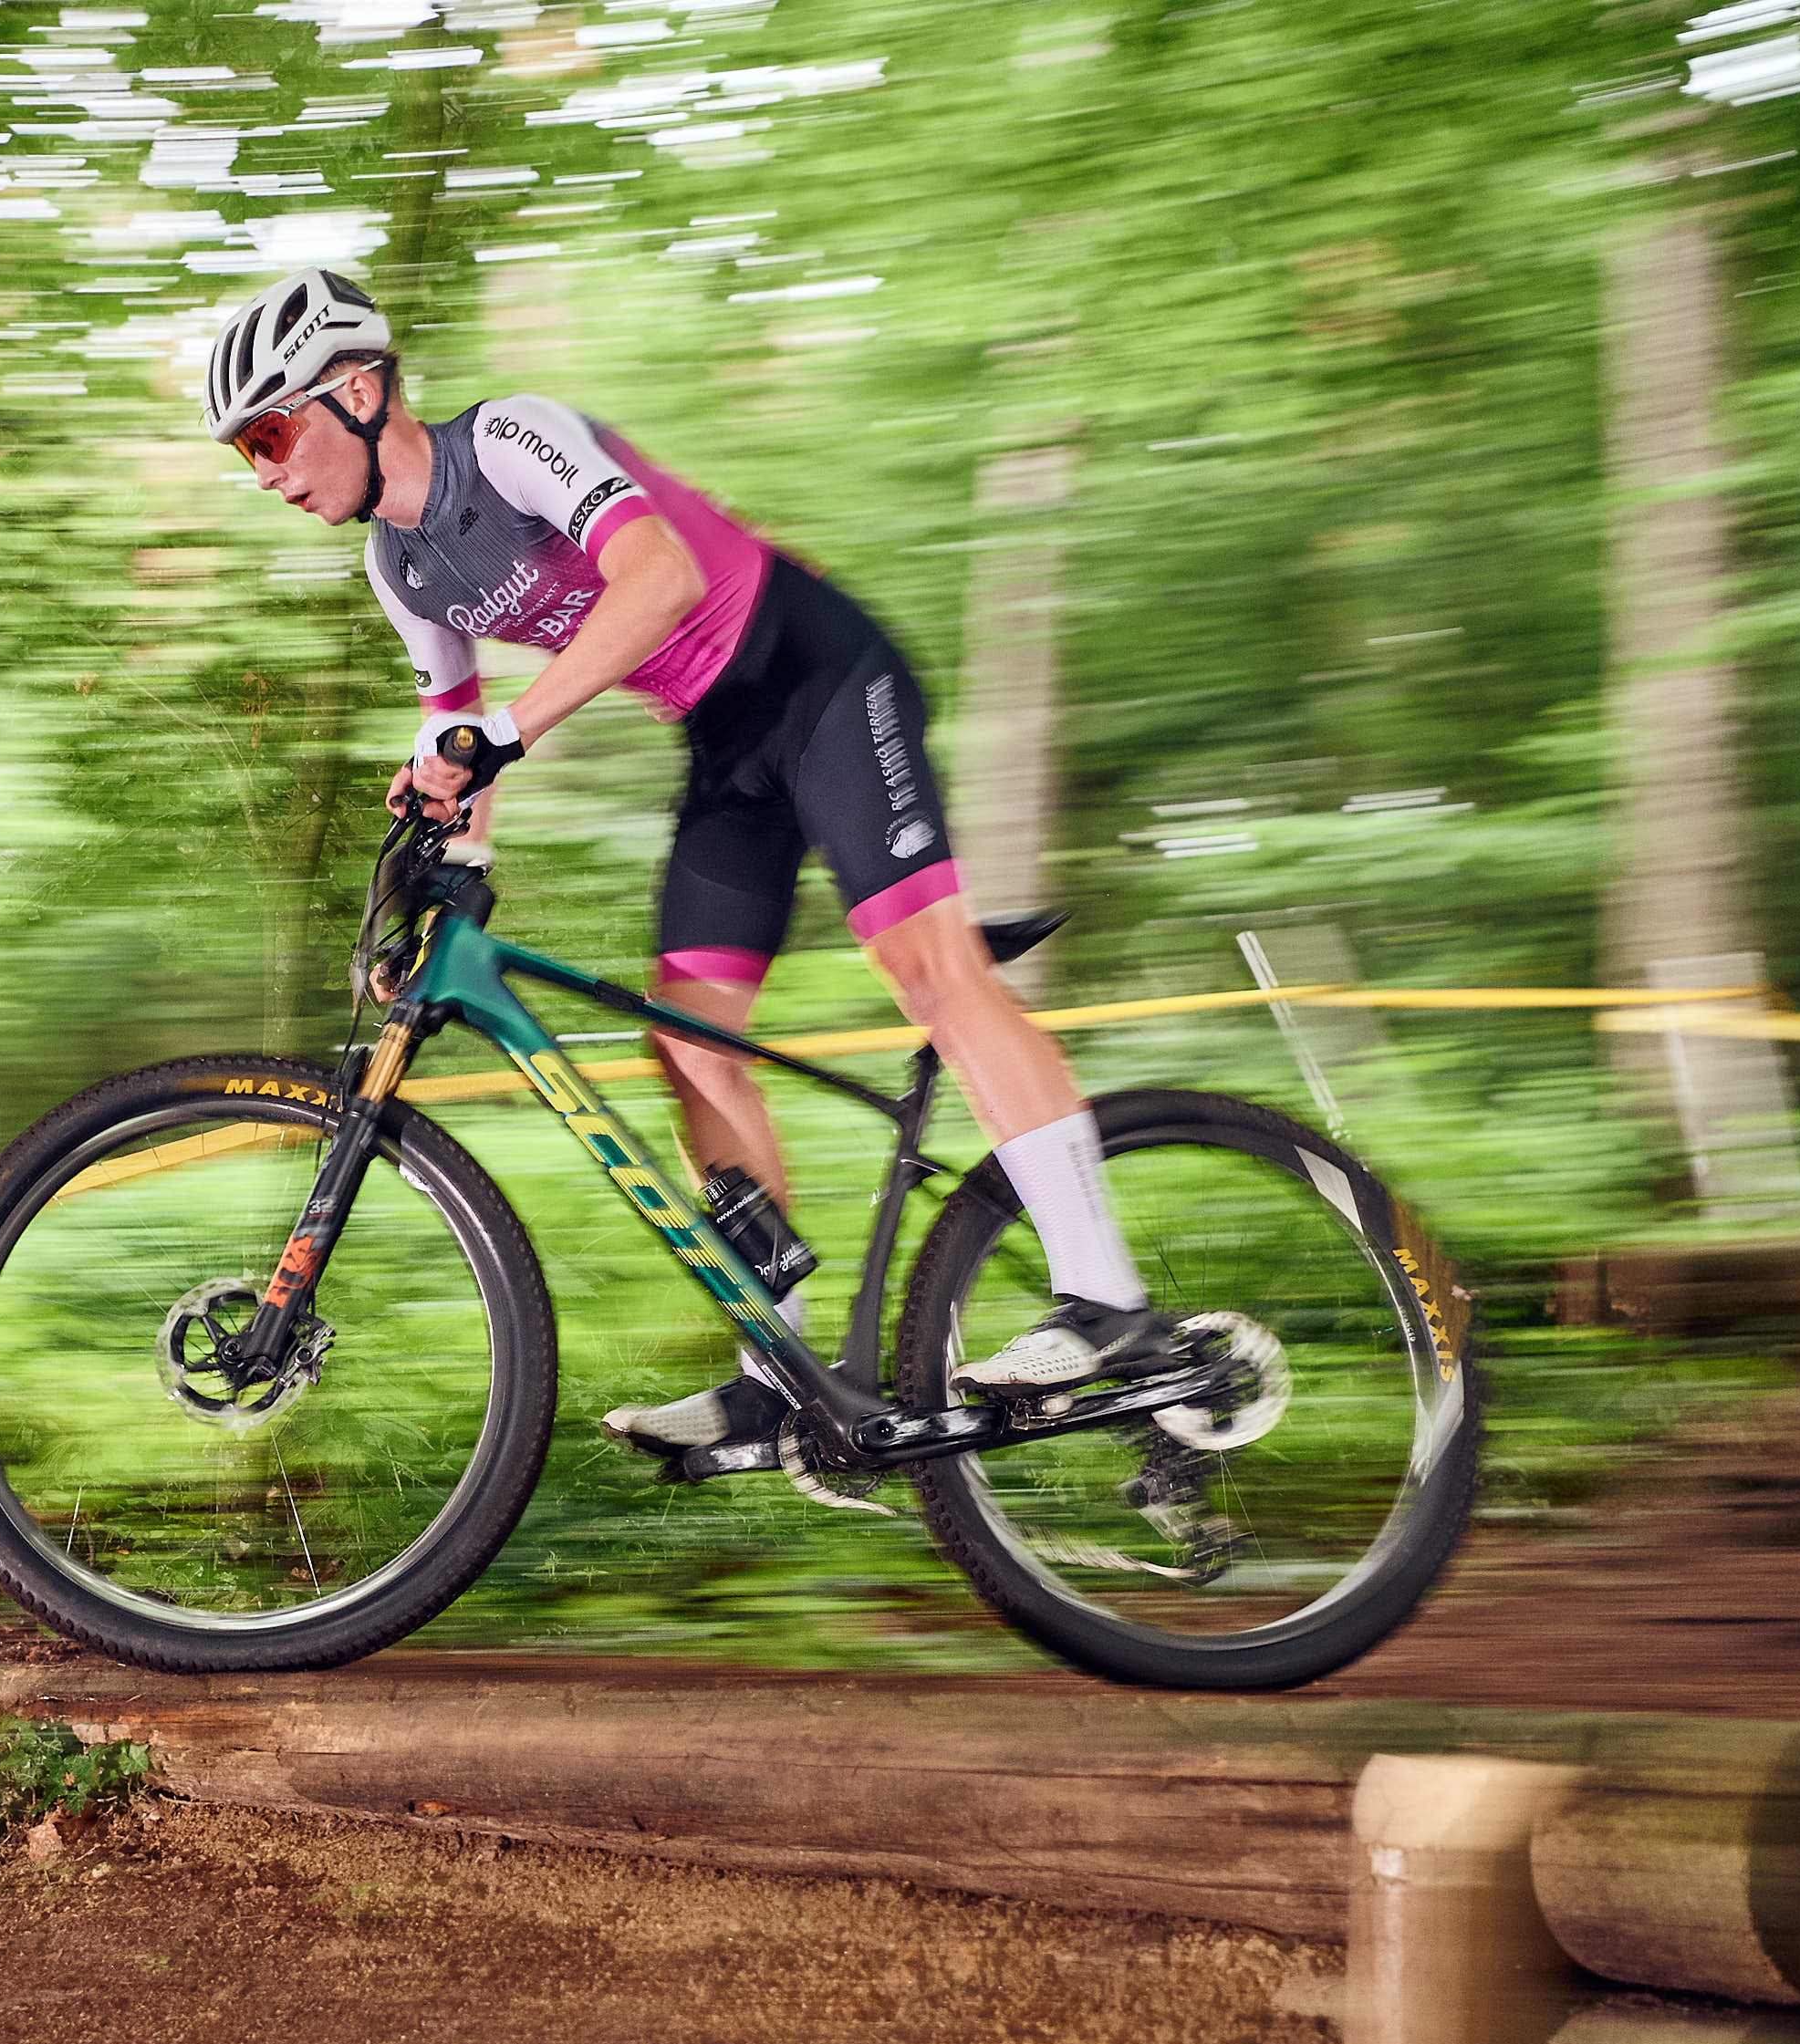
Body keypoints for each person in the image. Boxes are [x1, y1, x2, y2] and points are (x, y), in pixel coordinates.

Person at [199, 266, 1181, 1470]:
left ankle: (1106, 1298)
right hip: (725, 740)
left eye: (269, 434)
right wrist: (450, 859)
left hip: (821, 676)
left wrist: (506, 732)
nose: (264, 472)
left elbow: (660, 577)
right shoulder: (400, 570)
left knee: (930, 970)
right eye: (244, 452)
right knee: (688, 1038)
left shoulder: (507, 440)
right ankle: (786, 1380)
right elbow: (453, 728)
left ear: (356, 392)